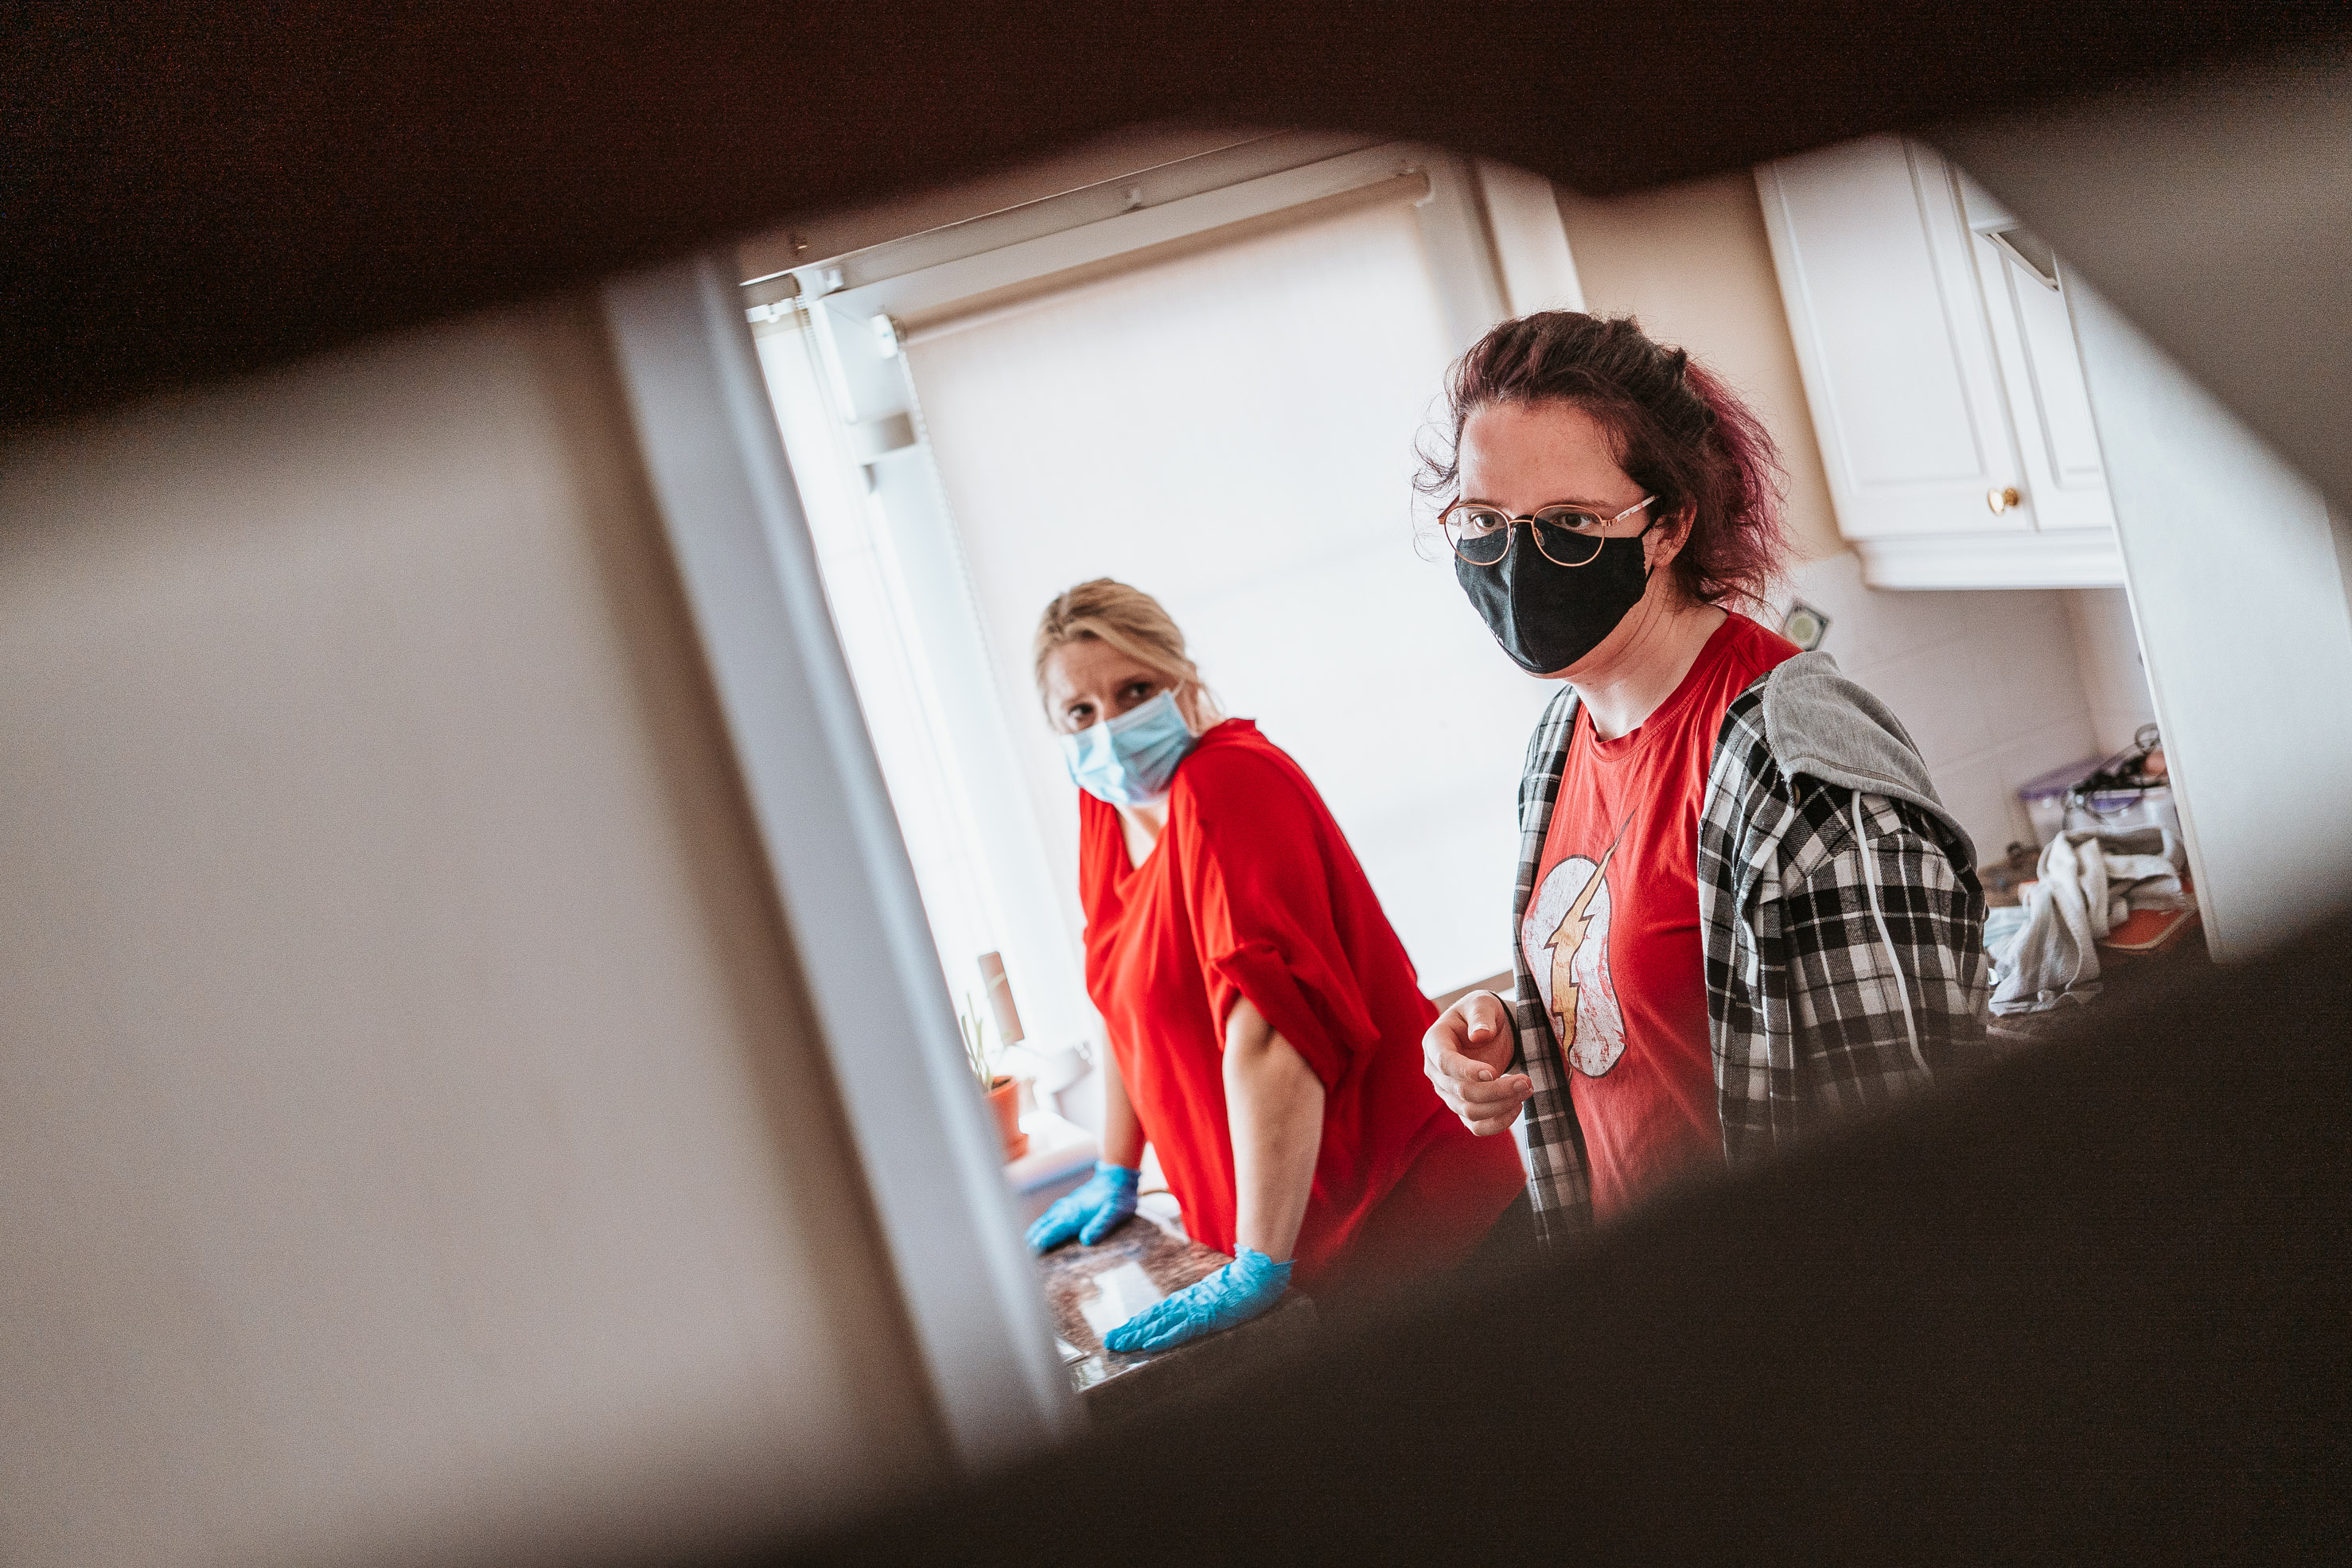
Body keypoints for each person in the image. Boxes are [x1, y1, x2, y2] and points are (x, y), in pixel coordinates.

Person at [1418, 312, 1988, 1241]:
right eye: (1484, 521)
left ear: (1669, 526)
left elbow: (1910, 1169)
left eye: (1569, 523)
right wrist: (1519, 1030)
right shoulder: (1561, 736)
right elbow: (1678, 1004)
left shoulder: (1802, 781)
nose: (1516, 564)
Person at [1026, 579, 1525, 1348]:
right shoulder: (1105, 814)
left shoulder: (1225, 784)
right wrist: (1116, 1168)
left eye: (1135, 691)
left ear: (1181, 678)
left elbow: (1268, 1030)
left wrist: (1258, 1262)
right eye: (1080, 713)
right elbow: (1118, 1000)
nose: (1111, 729)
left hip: (1410, 1230)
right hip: (1293, 1245)